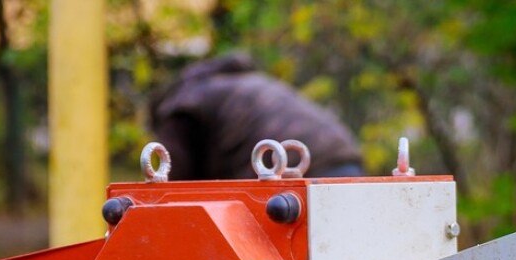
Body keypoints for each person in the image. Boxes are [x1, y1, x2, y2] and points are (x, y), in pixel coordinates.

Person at [149, 52, 365, 180]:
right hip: (342, 156)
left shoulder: (184, 103)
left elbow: (171, 185)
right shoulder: (240, 83)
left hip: (295, 170)